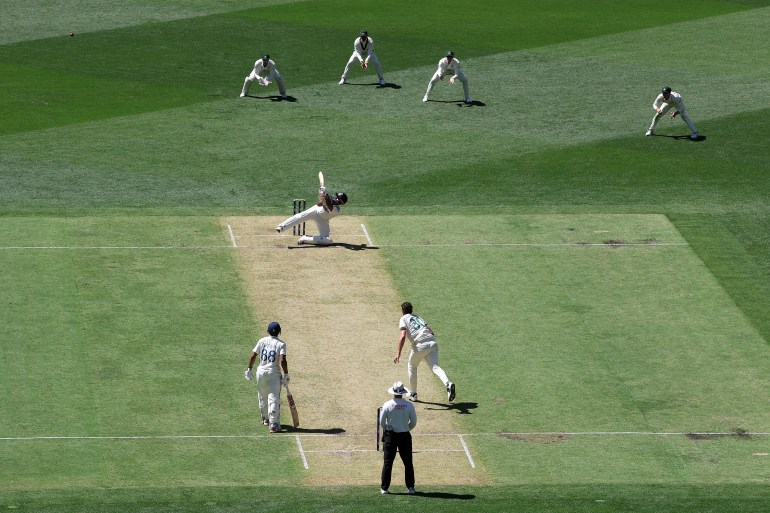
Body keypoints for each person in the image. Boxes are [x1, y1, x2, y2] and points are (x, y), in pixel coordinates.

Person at [393, 302, 455, 402]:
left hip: (420, 345)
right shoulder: (418, 317)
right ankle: (448, 383)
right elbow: (431, 331)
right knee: (435, 367)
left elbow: (403, 335)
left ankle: (413, 394)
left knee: (412, 366)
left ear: (403, 311)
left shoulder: (403, 318)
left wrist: (398, 352)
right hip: (432, 342)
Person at [244, 321, 290, 433]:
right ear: (279, 332)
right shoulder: (281, 344)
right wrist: (286, 374)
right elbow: (282, 360)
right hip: (273, 373)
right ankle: (273, 425)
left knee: (262, 395)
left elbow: (253, 355)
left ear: (268, 331)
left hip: (261, 373)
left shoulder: (262, 341)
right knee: (273, 397)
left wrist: (249, 369)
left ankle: (265, 419)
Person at [275, 182, 348, 246]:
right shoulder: (330, 198)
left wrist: (326, 195)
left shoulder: (337, 209)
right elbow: (319, 204)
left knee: (328, 241)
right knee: (300, 216)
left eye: (338, 199)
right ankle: (282, 226)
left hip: (323, 220)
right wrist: (322, 196)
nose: (336, 198)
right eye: (336, 196)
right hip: (315, 211)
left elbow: (330, 207)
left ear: (341, 203)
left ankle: (305, 239)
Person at [379, 381, 417, 495]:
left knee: (387, 463)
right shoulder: (409, 405)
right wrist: (406, 428)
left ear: (394, 392)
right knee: (408, 463)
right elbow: (413, 422)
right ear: (403, 393)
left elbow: (381, 422)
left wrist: (388, 428)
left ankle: (384, 488)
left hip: (390, 436)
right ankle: (410, 487)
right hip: (405, 436)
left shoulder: (387, 404)